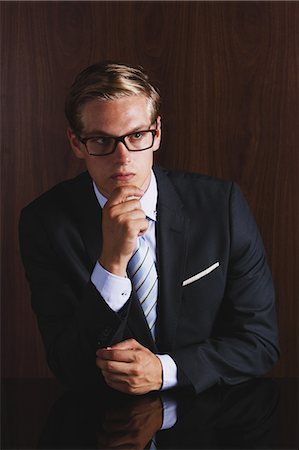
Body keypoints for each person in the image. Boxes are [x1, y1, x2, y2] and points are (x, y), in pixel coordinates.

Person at [19, 61, 279, 395]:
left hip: (211, 424)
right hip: (101, 425)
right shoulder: (44, 222)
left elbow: (260, 343)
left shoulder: (220, 206)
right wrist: (111, 264)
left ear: (156, 133)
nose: (123, 157)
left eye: (137, 135)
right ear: (76, 142)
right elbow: (68, 364)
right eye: (101, 140)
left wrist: (165, 370)